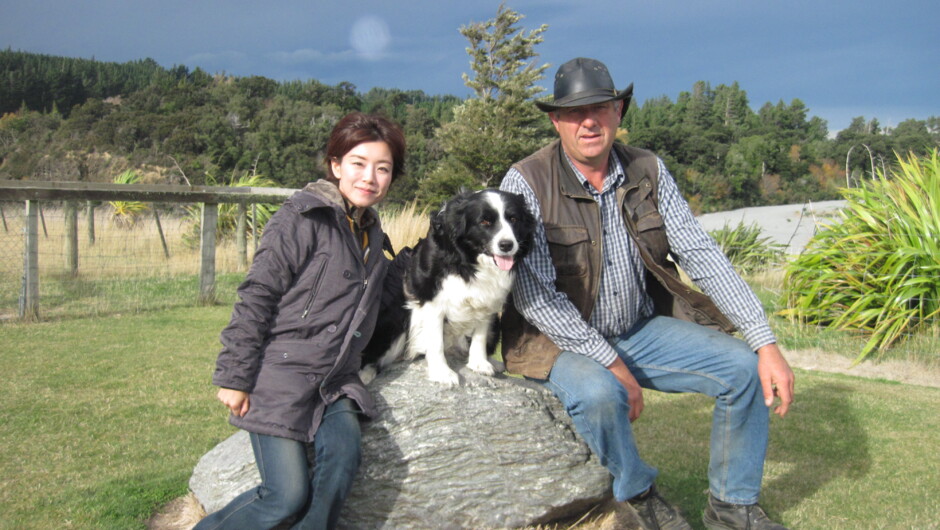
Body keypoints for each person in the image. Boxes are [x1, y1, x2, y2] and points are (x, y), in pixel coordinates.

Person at [499, 57, 795, 530]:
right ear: (556, 120)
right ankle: (637, 495)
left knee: (743, 368)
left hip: (636, 328)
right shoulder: (526, 181)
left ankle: (732, 507)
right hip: (555, 344)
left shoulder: (648, 169)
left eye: (600, 107)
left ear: (620, 111)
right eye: (574, 112)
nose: (589, 121)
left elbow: (700, 253)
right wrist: (611, 365)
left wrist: (765, 341)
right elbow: (535, 298)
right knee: (599, 394)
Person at [195, 112, 406, 530]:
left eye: (383, 169)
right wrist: (235, 376)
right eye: (359, 163)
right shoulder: (301, 218)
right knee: (286, 497)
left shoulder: (373, 233)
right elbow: (258, 295)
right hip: (282, 375)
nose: (370, 177)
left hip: (335, 382)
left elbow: (378, 302)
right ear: (335, 165)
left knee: (339, 468)